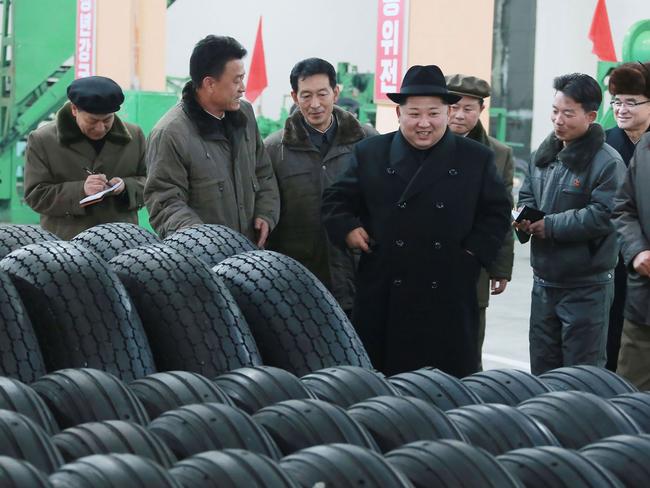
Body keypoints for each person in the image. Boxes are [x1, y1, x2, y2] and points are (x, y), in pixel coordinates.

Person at [322, 65, 511, 378]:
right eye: (414, 114)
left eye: (433, 113)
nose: (424, 123)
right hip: (385, 290)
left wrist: (472, 253)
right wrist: (349, 229)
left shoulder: (475, 158)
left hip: (449, 289)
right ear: (399, 113)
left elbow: (497, 212)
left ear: (447, 113)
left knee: (446, 385)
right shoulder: (371, 153)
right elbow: (335, 201)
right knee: (382, 386)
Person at [515, 73, 625, 375]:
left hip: (586, 286)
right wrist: (525, 218)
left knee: (582, 373)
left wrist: (549, 226)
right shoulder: (544, 153)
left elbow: (604, 214)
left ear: (590, 116)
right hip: (544, 281)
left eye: (568, 113)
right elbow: (526, 193)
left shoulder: (607, 162)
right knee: (543, 368)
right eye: (555, 111)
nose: (558, 120)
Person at [264, 58, 378, 314]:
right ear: (294, 96)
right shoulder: (274, 149)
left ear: (336, 93)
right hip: (298, 282)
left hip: (357, 276)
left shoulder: (368, 142)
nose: (315, 104)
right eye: (306, 96)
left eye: (322, 94)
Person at [144, 35, 279, 243]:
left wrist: (265, 214)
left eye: (243, 78)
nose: (243, 88)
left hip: (250, 254)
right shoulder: (171, 133)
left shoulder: (245, 115)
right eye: (236, 80)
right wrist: (204, 240)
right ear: (209, 83)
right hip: (203, 261)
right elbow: (165, 202)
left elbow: (263, 172)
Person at [446, 74, 515, 370]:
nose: (460, 115)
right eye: (454, 106)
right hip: (426, 259)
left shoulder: (499, 155)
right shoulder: (421, 143)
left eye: (469, 108)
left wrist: (500, 267)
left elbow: (501, 215)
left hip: (474, 263)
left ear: (481, 111)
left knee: (470, 345)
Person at [24, 76, 145, 240]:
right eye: (93, 121)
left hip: (122, 242)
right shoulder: (42, 140)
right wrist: (81, 191)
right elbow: (35, 195)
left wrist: (126, 187)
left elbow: (151, 184)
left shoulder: (135, 136)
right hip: (66, 246)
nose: (101, 128)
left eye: (108, 120)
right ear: (74, 109)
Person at [604, 62, 650, 371]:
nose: (621, 109)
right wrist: (636, 250)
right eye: (617, 101)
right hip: (620, 265)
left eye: (631, 102)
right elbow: (623, 206)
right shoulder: (604, 142)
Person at [612, 131, 650, 389]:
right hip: (644, 307)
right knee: (630, 397)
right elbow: (623, 207)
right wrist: (637, 250)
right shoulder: (646, 146)